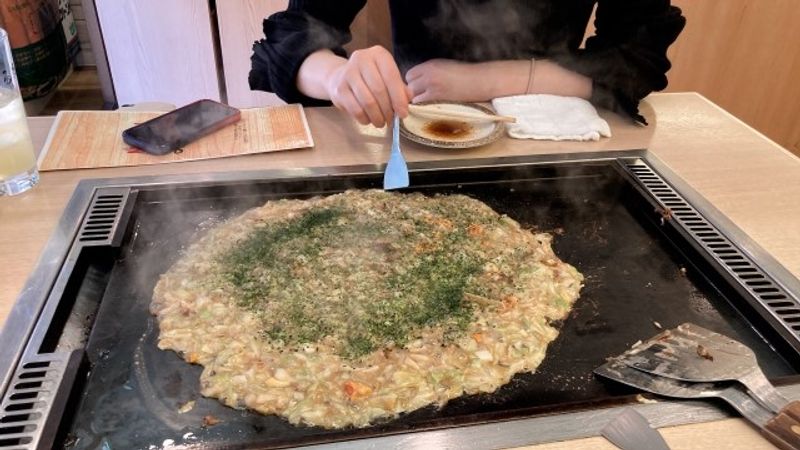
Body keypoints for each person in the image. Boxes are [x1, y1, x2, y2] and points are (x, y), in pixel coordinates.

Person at [249, 1, 685, 128]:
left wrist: (485, 80)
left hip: (548, 128)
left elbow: (636, 58)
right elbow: (295, 32)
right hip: (412, 120)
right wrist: (337, 76)